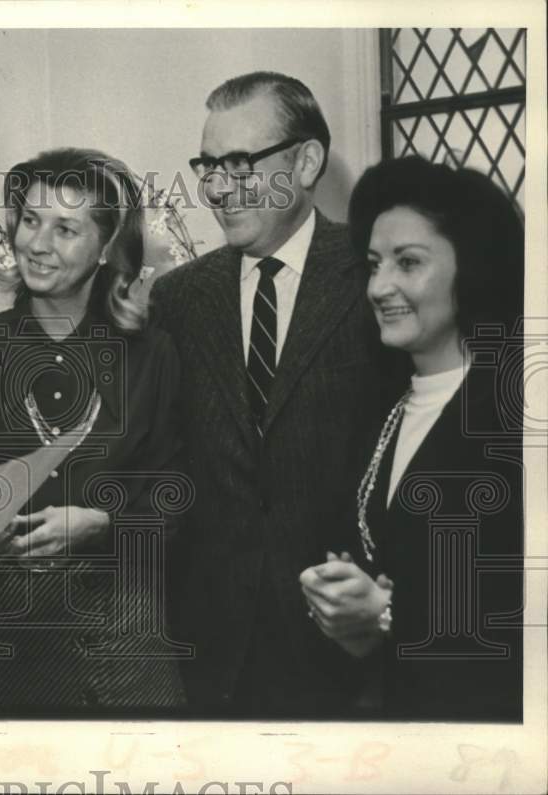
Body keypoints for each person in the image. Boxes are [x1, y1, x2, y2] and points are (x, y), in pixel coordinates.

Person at [150, 71, 395, 717]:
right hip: (211, 649)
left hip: (346, 646)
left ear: (306, 160)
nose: (217, 188)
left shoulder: (377, 280)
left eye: (239, 164)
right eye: (208, 165)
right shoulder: (178, 299)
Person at [0, 148, 187, 712]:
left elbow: (176, 496)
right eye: (30, 220)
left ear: (106, 247)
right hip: (7, 641)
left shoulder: (151, 354)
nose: (37, 243)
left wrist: (103, 524)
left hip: (128, 637)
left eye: (65, 229)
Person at [300, 156, 524, 721]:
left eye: (409, 263)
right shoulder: (383, 411)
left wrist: (387, 613)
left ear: (471, 269)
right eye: (374, 264)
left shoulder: (520, 414)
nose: (380, 286)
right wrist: (343, 611)